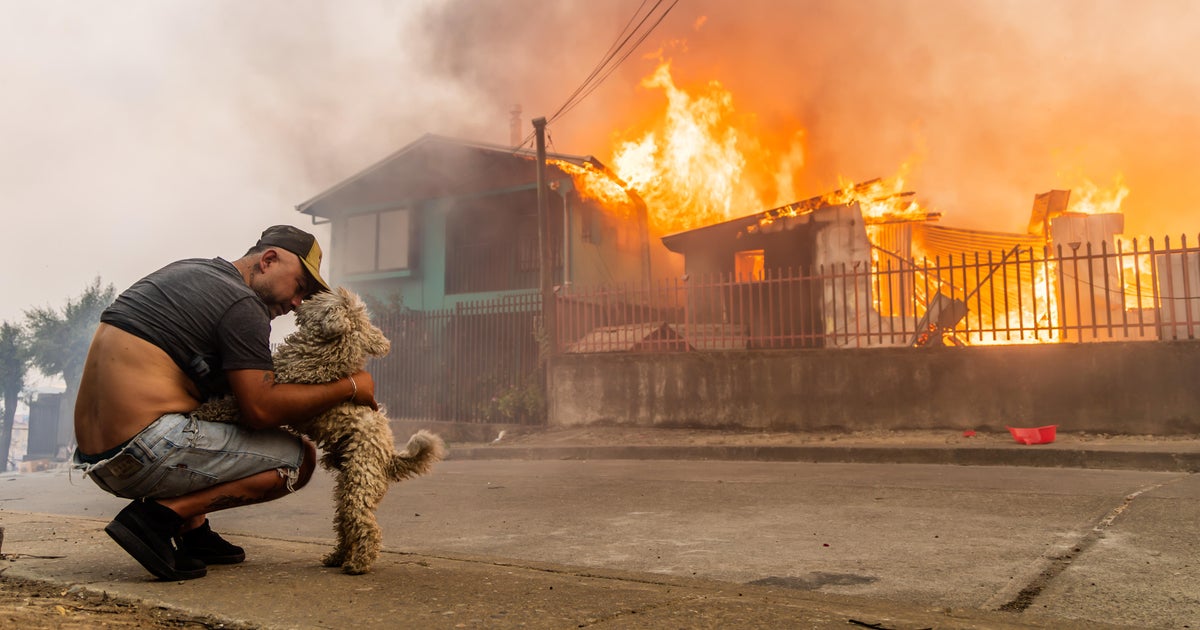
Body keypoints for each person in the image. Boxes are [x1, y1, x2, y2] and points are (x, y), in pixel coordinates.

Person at [72, 225, 378, 581]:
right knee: (299, 460)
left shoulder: (190, 271)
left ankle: (194, 533)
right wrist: (351, 386)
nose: (298, 303)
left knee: (209, 405)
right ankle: (156, 520)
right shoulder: (243, 304)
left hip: (99, 461)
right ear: (268, 260)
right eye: (299, 287)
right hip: (145, 449)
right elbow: (260, 410)